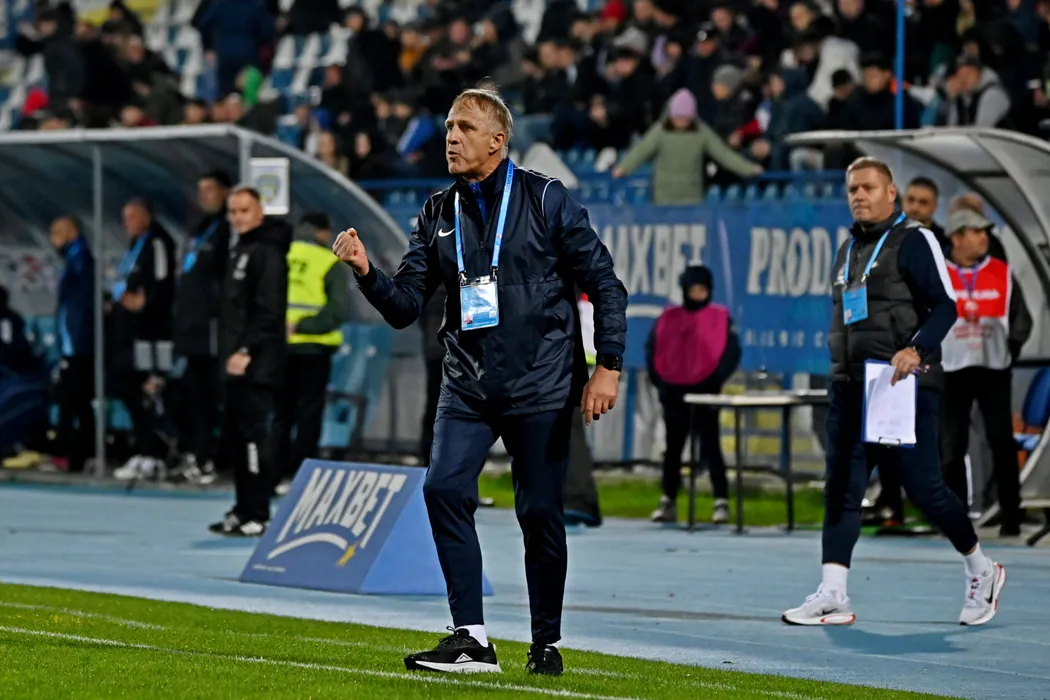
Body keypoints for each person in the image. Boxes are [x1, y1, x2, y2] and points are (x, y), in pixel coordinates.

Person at [333, 87, 627, 676]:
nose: (451, 137)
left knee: (540, 514)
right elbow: (406, 306)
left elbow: (606, 284)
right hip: (467, 383)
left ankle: (546, 641)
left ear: (498, 140)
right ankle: (470, 637)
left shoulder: (546, 198)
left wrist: (608, 367)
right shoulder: (437, 211)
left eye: (464, 127)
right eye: (448, 126)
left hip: (541, 383)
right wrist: (366, 272)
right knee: (443, 489)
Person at [782, 157, 1005, 627]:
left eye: (868, 187)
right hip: (850, 385)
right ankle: (833, 593)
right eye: (852, 189)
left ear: (890, 193)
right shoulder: (848, 249)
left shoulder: (916, 239)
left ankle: (981, 569)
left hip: (902, 386)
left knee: (925, 489)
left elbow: (945, 307)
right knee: (842, 488)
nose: (859, 196)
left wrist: (915, 349)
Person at [940, 208, 1031, 537]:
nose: (984, 238)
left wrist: (1011, 348)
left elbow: (1022, 317)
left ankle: (1011, 515)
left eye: (984, 232)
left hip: (993, 369)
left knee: (1002, 442)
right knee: (951, 446)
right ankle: (956, 518)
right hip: (951, 369)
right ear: (956, 238)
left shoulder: (1001, 272)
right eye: (976, 232)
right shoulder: (939, 273)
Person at [209, 186, 290, 537]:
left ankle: (258, 512)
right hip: (236, 363)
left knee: (255, 438)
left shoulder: (268, 252)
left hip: (257, 364)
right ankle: (242, 508)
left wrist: (246, 350)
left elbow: (269, 311)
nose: (238, 218)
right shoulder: (239, 249)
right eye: (233, 212)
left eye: (244, 211)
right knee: (239, 438)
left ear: (259, 212)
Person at [646, 265, 740, 525]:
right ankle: (668, 499)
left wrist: (714, 380)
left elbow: (731, 352)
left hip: (706, 391)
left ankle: (720, 500)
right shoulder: (668, 318)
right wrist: (661, 382)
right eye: (694, 290)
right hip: (673, 391)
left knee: (710, 445)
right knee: (673, 448)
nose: (698, 294)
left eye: (703, 290)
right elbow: (654, 349)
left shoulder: (719, 317)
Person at [272, 211, 352, 492]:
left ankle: (273, 473)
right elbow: (339, 310)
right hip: (314, 348)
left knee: (280, 414)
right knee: (309, 413)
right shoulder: (328, 261)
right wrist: (305, 325)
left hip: (280, 347)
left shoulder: (280, 256)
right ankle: (300, 476)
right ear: (324, 232)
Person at [171, 170, 232, 485]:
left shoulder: (227, 230)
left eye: (210, 189)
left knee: (208, 397)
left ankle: (209, 459)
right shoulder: (200, 228)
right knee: (187, 395)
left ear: (225, 192)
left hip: (212, 329)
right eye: (201, 190)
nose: (204, 196)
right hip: (191, 328)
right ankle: (197, 455)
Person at [109, 198, 176, 480]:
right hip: (129, 333)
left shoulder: (158, 242)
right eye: (125, 218)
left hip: (150, 334)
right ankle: (143, 448)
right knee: (129, 388)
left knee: (150, 392)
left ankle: (157, 453)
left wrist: (141, 303)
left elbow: (160, 287)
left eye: (132, 217)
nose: (127, 224)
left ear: (147, 217)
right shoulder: (135, 244)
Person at [48, 217, 97, 473]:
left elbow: (80, 306)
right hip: (74, 343)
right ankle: (79, 453)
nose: (52, 238)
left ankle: (68, 453)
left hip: (78, 345)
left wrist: (75, 340)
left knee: (74, 400)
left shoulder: (81, 260)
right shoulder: (74, 259)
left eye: (57, 232)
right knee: (77, 401)